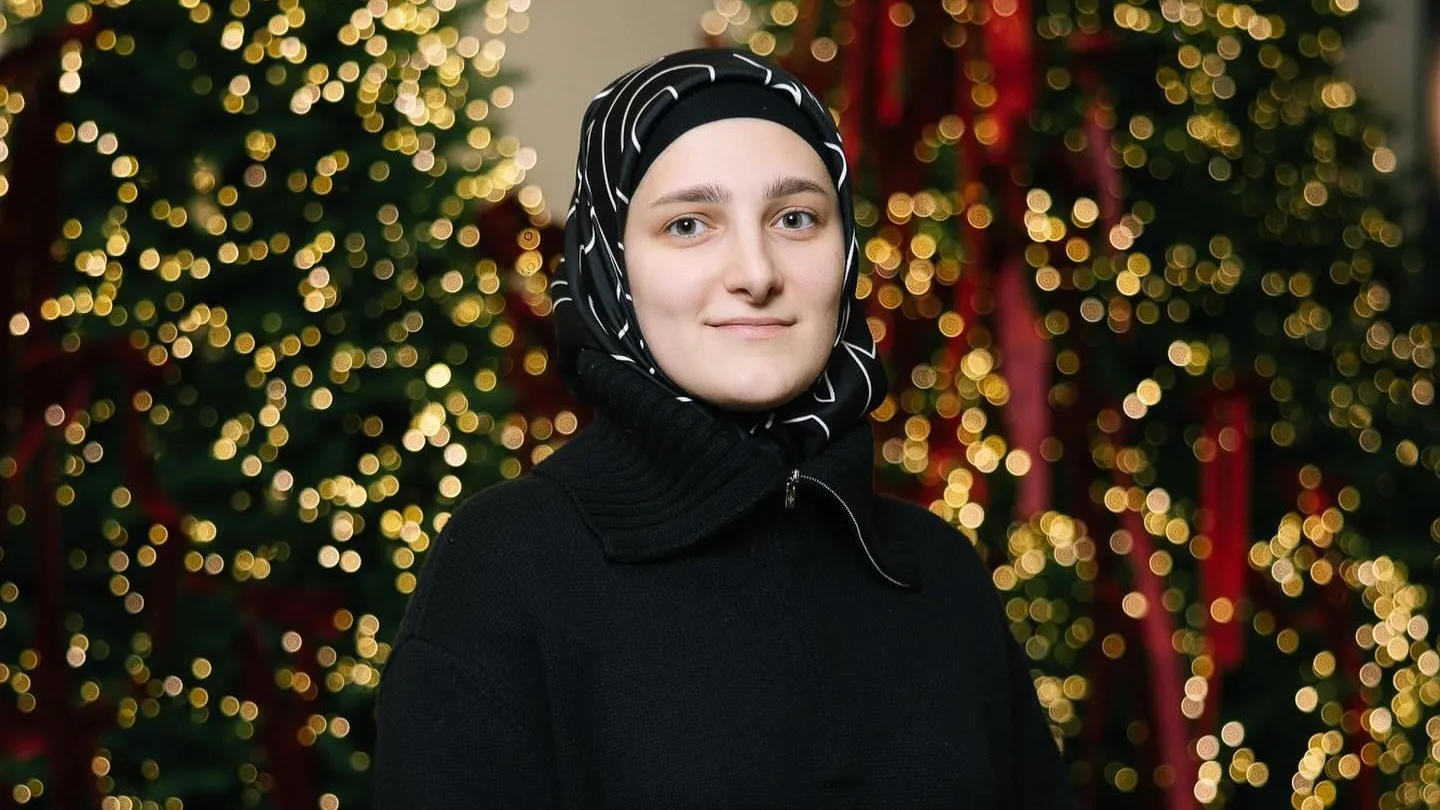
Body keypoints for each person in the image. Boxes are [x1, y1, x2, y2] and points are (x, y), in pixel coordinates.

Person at [374, 48, 1076, 809]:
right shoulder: (507, 569)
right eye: (688, 224)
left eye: (796, 218)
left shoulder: (938, 572)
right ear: (611, 266)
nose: (756, 272)